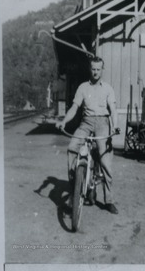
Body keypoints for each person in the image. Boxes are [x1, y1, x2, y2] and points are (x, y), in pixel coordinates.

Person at [56, 56, 119, 214]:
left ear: (102, 70)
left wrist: (116, 126)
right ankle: (74, 190)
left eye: (98, 69)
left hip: (103, 124)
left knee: (105, 162)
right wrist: (64, 121)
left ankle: (109, 200)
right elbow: (74, 107)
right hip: (86, 123)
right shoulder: (83, 87)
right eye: (93, 69)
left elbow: (113, 110)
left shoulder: (108, 88)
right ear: (89, 69)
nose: (96, 72)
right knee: (72, 148)